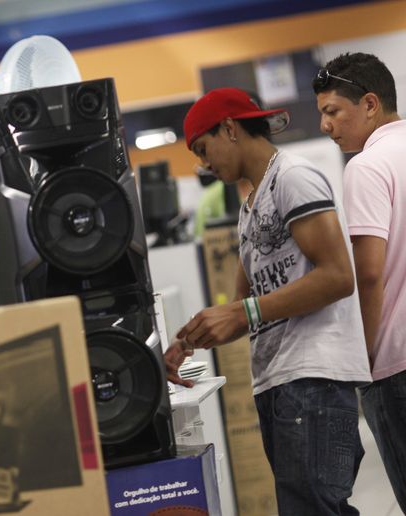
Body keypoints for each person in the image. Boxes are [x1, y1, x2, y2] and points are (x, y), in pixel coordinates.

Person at [165, 87, 371, 515]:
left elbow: (338, 276)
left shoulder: (293, 177)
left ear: (229, 128)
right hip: (280, 382)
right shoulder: (250, 203)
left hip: (313, 377)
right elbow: (242, 305)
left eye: (204, 149)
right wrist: (186, 343)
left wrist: (245, 310)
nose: (204, 163)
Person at [313, 52, 406, 511]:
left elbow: (369, 274)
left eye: (333, 112)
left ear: (370, 103)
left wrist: (362, 361)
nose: (326, 127)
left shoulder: (367, 167)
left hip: (396, 364)